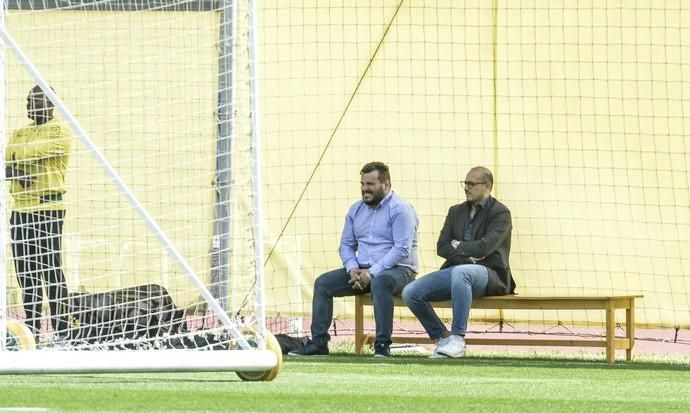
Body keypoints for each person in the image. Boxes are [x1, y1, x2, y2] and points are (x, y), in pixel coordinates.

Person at [289, 161, 419, 358]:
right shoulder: (356, 210)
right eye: (363, 184)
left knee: (380, 283)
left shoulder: (401, 209)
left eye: (370, 184)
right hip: (362, 270)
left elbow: (401, 249)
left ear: (386, 185)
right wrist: (352, 269)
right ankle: (319, 344)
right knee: (323, 283)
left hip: (400, 270)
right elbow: (346, 245)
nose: (365, 189)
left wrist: (371, 273)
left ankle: (382, 345)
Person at [402, 166, 515, 358]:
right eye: (465, 183)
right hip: (455, 271)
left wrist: (458, 246)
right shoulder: (455, 211)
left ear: (487, 186)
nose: (466, 188)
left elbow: (485, 248)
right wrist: (467, 251)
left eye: (471, 184)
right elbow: (442, 247)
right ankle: (443, 338)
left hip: (489, 273)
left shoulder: (500, 213)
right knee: (410, 292)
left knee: (461, 272)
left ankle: (458, 338)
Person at [5, 85, 72, 344]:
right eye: (28, 100)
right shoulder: (20, 132)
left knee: (50, 269)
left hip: (48, 208)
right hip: (21, 209)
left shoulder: (60, 131)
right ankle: (30, 333)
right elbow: (6, 157)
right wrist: (19, 171)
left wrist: (17, 160)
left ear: (51, 104)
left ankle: (63, 333)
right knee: (26, 273)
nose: (29, 105)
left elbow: (24, 153)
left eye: (35, 101)